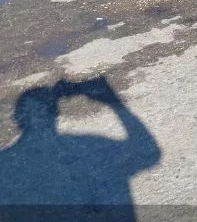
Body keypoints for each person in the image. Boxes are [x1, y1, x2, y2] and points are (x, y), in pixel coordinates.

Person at [0, 77, 160, 221]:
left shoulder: (5, 163)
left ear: (16, 119)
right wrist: (112, 101)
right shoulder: (89, 146)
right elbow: (149, 153)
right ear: (56, 113)